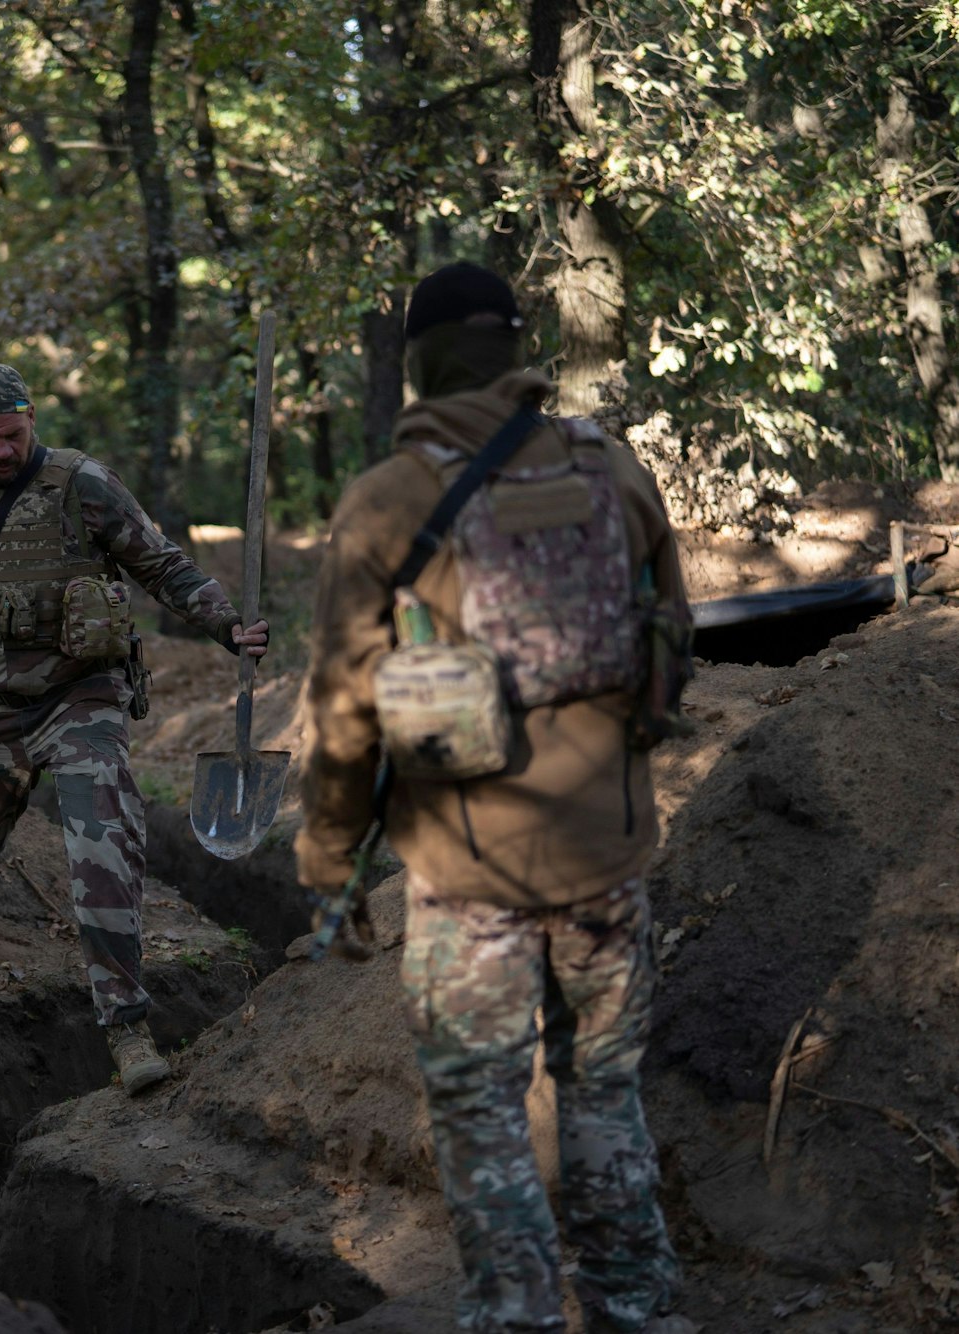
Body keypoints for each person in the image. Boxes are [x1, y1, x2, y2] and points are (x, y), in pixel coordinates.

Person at [295, 264, 696, 1333]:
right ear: (518, 349)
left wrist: (332, 855)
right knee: (605, 1087)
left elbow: (343, 705)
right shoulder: (613, 468)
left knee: (480, 1104)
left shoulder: (388, 501)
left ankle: (516, 1313)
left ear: (419, 366)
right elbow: (673, 641)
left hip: (468, 871)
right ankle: (638, 1306)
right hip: (607, 850)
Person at [0, 363, 269, 1094]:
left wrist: (227, 623)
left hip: (79, 698)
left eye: (15, 434)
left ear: (33, 421)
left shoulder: (83, 484)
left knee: (102, 844)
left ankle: (124, 1025)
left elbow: (161, 565)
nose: (2, 450)